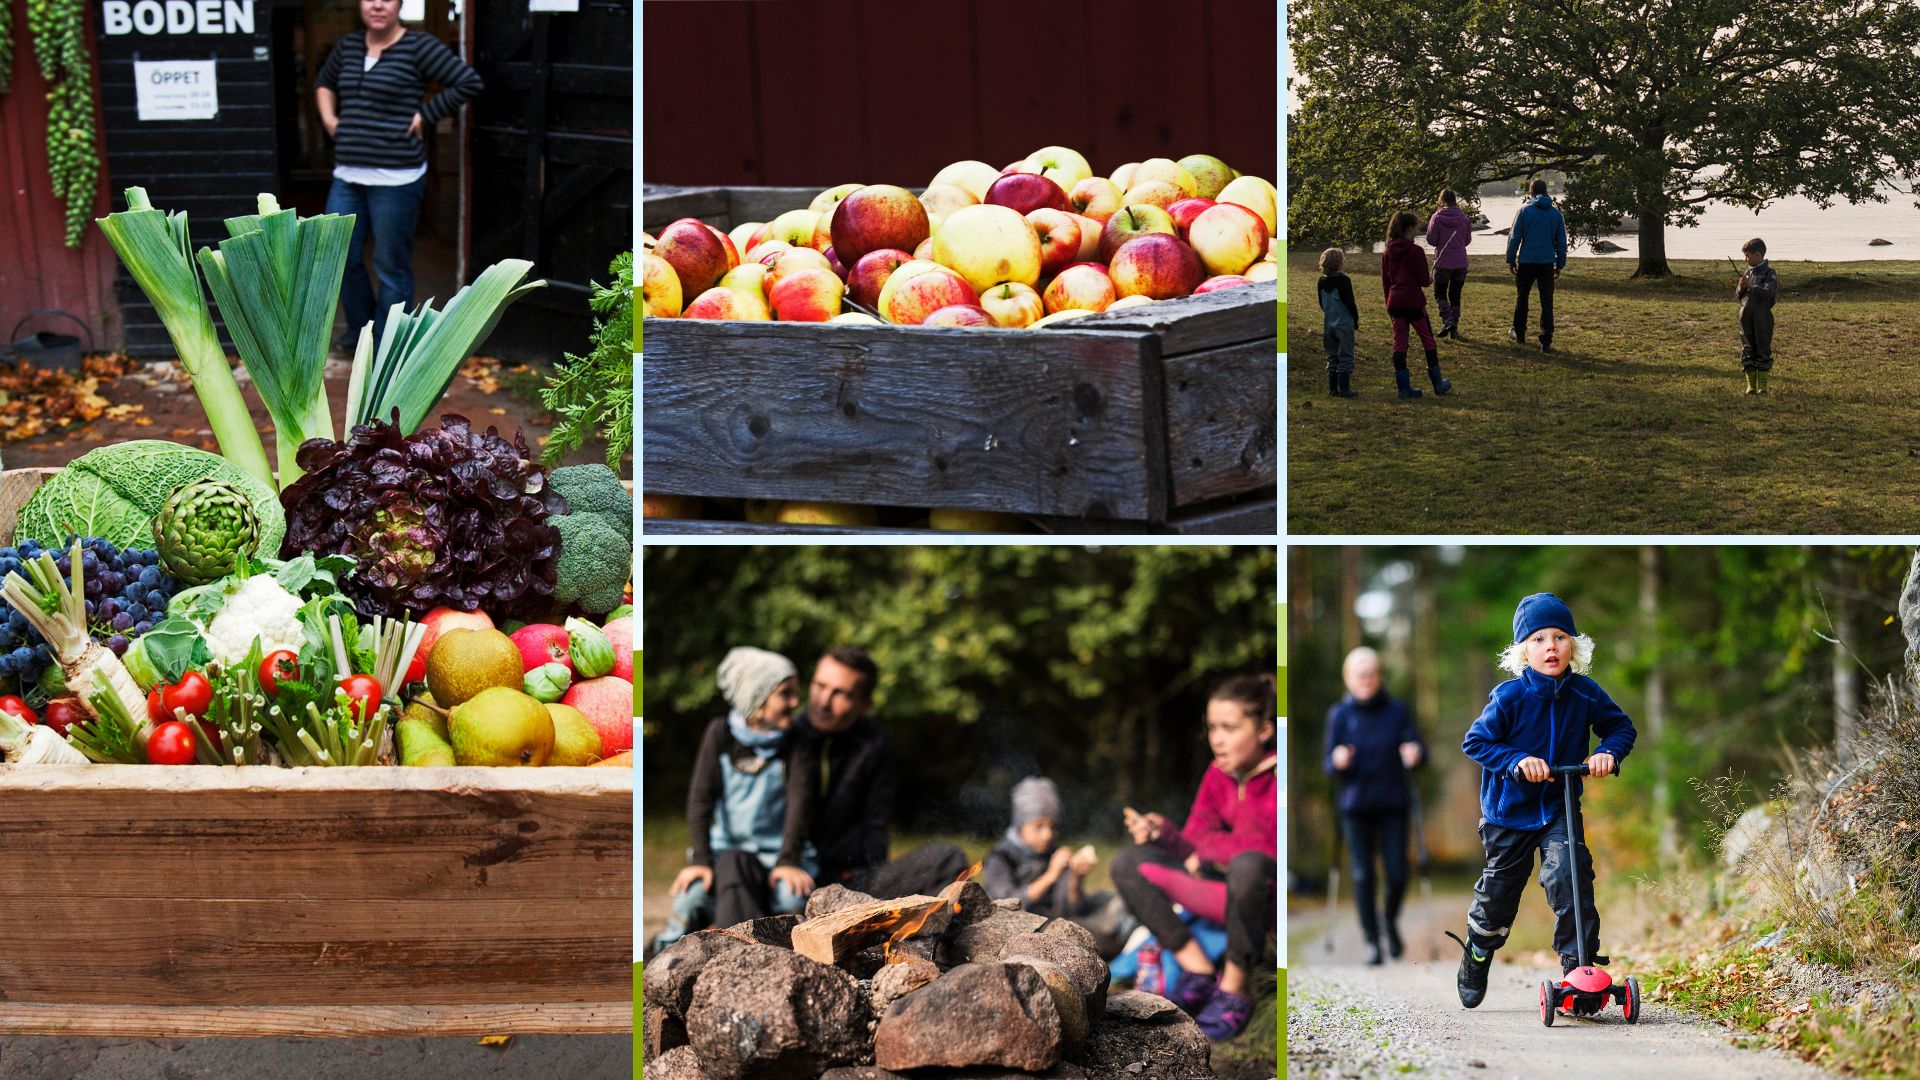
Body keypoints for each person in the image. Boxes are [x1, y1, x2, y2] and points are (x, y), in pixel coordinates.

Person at [1449, 594, 1637, 1010]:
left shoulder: (1586, 693)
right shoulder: (1509, 697)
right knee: (1500, 895)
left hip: (1559, 806)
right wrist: (1516, 760)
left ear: (1574, 645)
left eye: (1559, 636)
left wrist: (1608, 753)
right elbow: (1475, 741)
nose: (1550, 646)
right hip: (1509, 813)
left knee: (1570, 876)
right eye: (1538, 639)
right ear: (1523, 651)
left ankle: (1578, 969)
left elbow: (1620, 728)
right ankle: (1478, 951)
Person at [1110, 674, 1278, 1042]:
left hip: (1262, 898)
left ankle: (1236, 990)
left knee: (1249, 866)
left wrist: (1212, 848)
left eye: (1229, 728)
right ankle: (1198, 973)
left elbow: (1269, 852)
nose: (1217, 738)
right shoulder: (1218, 773)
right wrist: (1162, 832)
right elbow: (1194, 839)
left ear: (1264, 730)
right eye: (1212, 728)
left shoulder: (1281, 777)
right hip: (1214, 891)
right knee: (1127, 862)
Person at [315, 0, 483, 349]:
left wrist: (425, 115)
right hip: (347, 174)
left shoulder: (419, 46)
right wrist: (330, 119)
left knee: (390, 264)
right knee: (342, 259)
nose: (377, 4)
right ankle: (360, 336)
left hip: (397, 177)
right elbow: (324, 83)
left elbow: (467, 82)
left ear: (400, 5)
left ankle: (390, 342)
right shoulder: (348, 46)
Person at [795, 647, 970, 898]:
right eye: (819, 686)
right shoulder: (782, 737)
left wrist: (864, 873)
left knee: (946, 858)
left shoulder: (873, 744)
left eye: (840, 693)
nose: (824, 701)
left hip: (849, 881)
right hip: (785, 877)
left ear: (865, 705)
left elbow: (875, 825)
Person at [670, 646, 819, 931]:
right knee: (688, 902)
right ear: (757, 696)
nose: (794, 702)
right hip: (725, 850)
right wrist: (700, 860)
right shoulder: (720, 734)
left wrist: (788, 860)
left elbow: (801, 805)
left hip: (777, 853)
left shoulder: (797, 742)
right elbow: (701, 801)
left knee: (792, 901)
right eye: (784, 694)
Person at [1323, 647, 1425, 966]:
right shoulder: (1340, 715)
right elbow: (1328, 764)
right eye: (1359, 674)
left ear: (1379, 676)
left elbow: (1419, 750)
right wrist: (1337, 761)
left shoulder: (1397, 711)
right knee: (1363, 875)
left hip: (1394, 803)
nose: (1366, 679)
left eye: (1371, 673)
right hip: (1356, 807)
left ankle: (1389, 922)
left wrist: (1415, 753)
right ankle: (1372, 941)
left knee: (1397, 872)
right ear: (1349, 679)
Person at [982, 776, 1133, 956]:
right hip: (1019, 930)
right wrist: (1051, 875)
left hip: (1056, 921)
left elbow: (1069, 911)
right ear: (1020, 825)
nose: (1048, 835)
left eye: (1053, 827)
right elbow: (1005, 904)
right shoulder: (1000, 858)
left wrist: (1075, 880)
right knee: (1096, 937)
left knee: (1113, 902)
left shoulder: (1055, 853)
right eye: (1039, 826)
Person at [1381, 211, 1452, 398]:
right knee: (1427, 340)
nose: (1417, 231)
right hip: (1414, 303)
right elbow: (1422, 280)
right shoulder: (1416, 251)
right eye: (1416, 228)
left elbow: (1385, 281)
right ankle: (1437, 383)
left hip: (1395, 303)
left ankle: (1403, 388)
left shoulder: (1387, 251)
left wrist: (1388, 303)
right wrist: (1429, 280)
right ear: (1409, 229)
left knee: (1400, 344)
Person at [1505, 179, 1568, 353]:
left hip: (1527, 262)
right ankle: (1546, 338)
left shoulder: (1524, 211)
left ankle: (1519, 332)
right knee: (1547, 301)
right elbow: (1561, 241)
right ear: (1546, 191)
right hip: (1547, 262)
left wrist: (1511, 259)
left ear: (1531, 192)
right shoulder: (1556, 214)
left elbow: (1514, 237)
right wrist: (1560, 263)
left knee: (1522, 297)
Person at [1426, 189, 1475, 339]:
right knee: (1455, 295)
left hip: (1443, 261)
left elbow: (1431, 240)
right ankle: (1453, 328)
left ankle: (1448, 320)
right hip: (1460, 262)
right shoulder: (1464, 218)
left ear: (1441, 200)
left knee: (1440, 293)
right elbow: (1467, 240)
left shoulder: (1437, 217)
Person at [1736, 237, 1779, 394]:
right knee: (1748, 349)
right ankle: (1750, 385)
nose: (1745, 259)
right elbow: (1738, 297)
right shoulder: (1747, 273)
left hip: (1762, 318)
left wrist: (1751, 286)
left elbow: (1768, 293)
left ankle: (1763, 386)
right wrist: (1741, 288)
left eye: (1748, 256)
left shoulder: (1769, 273)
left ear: (1758, 254)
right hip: (1745, 317)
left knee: (1763, 348)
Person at [1318, 247, 1360, 398]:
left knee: (1332, 355)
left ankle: (1332, 389)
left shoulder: (1321, 281)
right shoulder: (1344, 280)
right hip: (1344, 323)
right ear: (1339, 263)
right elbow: (1350, 302)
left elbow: (1321, 303)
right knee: (1346, 355)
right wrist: (1355, 320)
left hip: (1328, 323)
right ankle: (1344, 389)